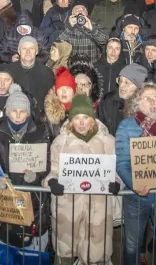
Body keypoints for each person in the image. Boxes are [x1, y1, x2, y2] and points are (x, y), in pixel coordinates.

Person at [45, 94, 120, 265]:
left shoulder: (107, 141)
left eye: (85, 117)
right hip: (69, 211)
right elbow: (52, 172)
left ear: (92, 118)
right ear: (71, 120)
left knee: (96, 256)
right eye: (76, 118)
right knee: (66, 256)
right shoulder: (60, 143)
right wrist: (51, 182)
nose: (81, 122)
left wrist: (117, 183)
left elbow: (115, 172)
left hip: (98, 211)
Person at [115, 83, 156, 265]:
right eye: (147, 98)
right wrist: (134, 184)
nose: (152, 102)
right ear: (137, 103)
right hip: (137, 199)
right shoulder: (126, 126)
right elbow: (121, 163)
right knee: (132, 245)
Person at [0, 85, 53, 248]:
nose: (18, 115)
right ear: (8, 112)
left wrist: (37, 175)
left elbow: (47, 162)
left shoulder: (40, 132)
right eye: (14, 111)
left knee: (34, 252)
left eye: (22, 111)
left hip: (33, 198)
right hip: (7, 199)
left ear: (28, 112)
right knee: (7, 249)